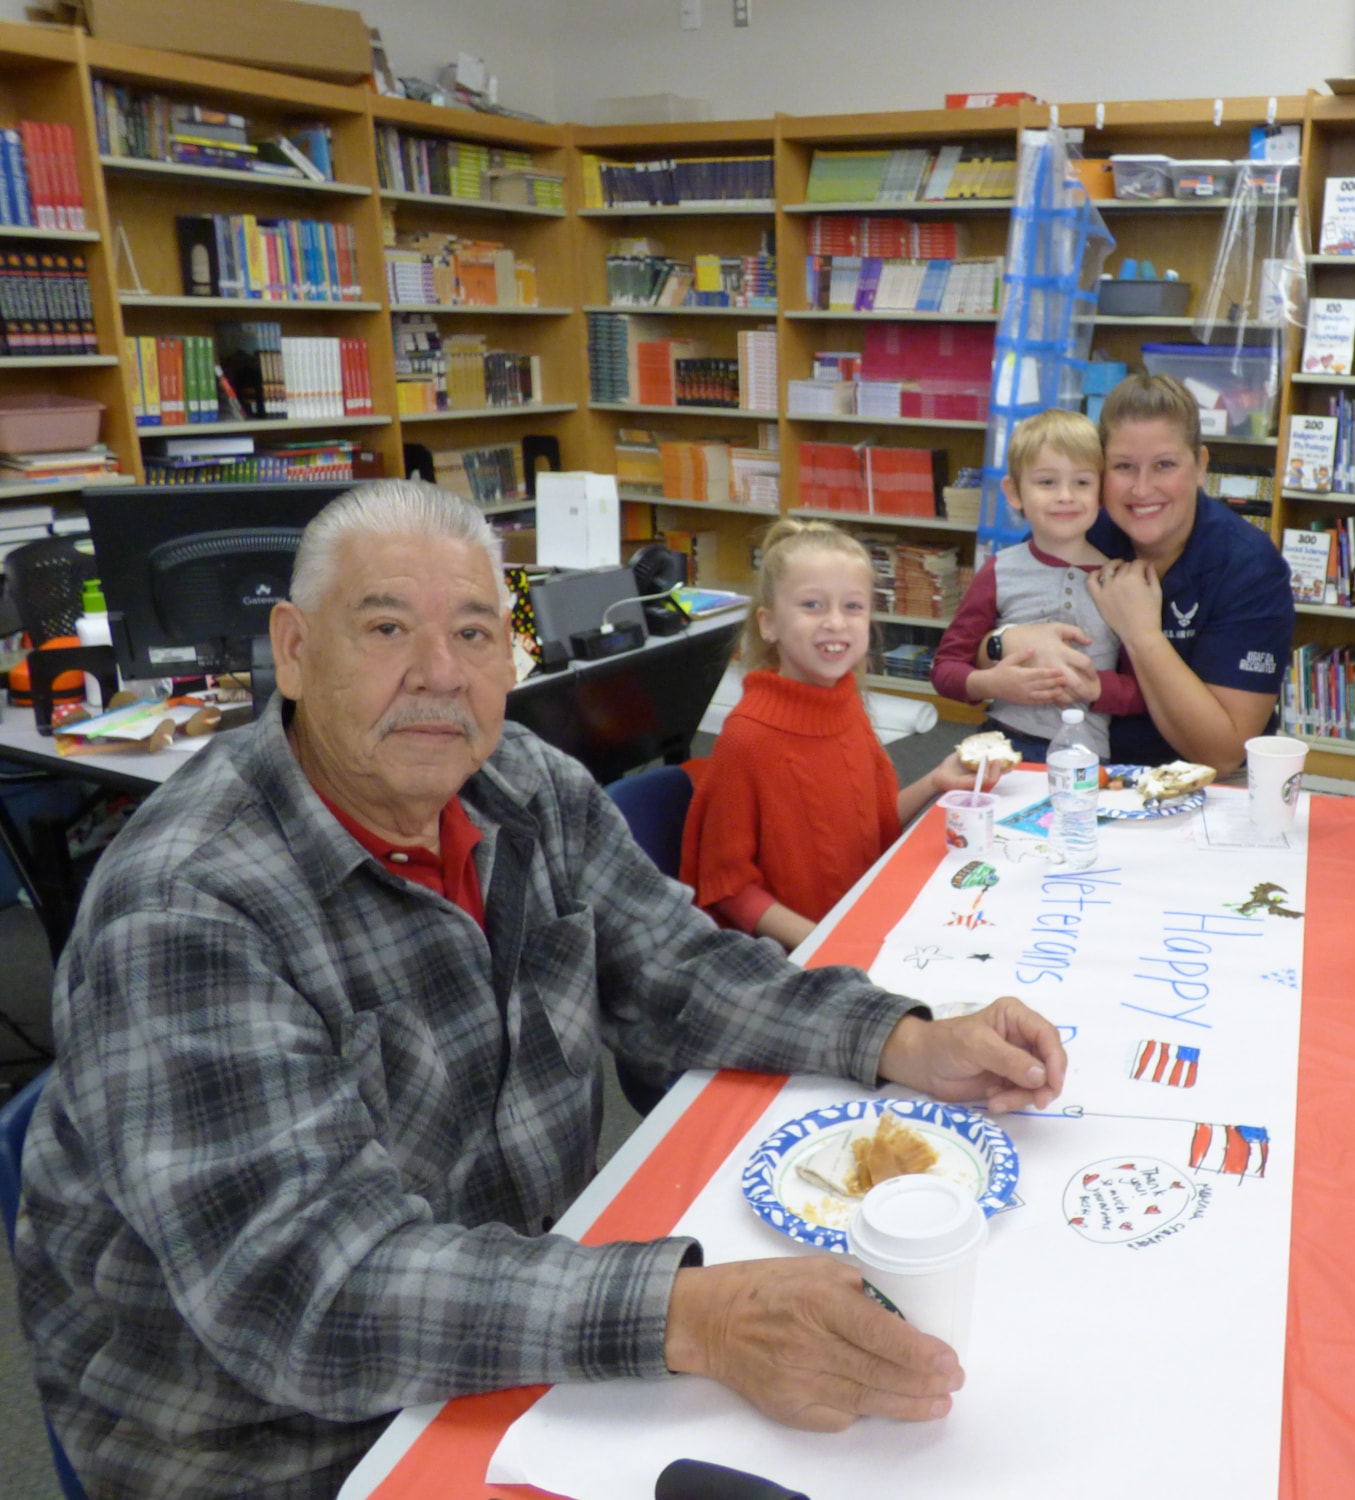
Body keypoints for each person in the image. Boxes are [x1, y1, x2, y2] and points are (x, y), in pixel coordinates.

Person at [13, 481, 1069, 1499]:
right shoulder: (187, 909)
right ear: (293, 650)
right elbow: (310, 1292)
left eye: (475, 635)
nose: (439, 673)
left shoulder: (523, 783)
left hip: (512, 1326)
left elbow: (678, 966)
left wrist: (904, 1037)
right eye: (385, 630)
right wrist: (691, 1316)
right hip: (281, 1444)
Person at [681, 518, 983, 952]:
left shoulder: (847, 705)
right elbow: (728, 886)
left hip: (860, 923)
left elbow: (869, 829)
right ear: (768, 624)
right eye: (812, 605)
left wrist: (936, 780)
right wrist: (825, 942)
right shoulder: (747, 739)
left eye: (853, 607)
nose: (836, 622)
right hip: (796, 959)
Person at [982, 375, 1294, 772]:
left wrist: (1141, 633)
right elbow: (973, 652)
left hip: (1200, 782)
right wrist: (1008, 639)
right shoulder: (1078, 527)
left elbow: (1223, 754)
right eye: (1124, 467)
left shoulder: (1248, 566)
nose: (1143, 489)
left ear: (1200, 466)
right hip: (1074, 764)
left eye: (1164, 465)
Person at [930, 408, 1145, 761]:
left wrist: (1096, 688)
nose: (1065, 496)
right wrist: (992, 683)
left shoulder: (1118, 580)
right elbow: (945, 668)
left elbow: (1143, 690)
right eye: (1047, 482)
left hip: (1084, 759)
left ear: (1101, 491)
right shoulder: (999, 571)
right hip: (1003, 746)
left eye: (1082, 482)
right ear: (1014, 493)